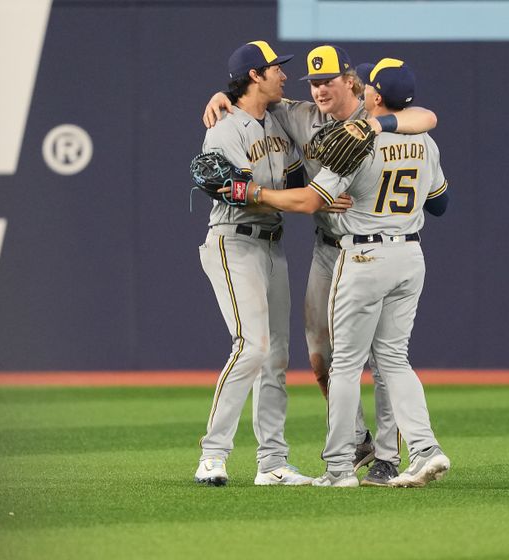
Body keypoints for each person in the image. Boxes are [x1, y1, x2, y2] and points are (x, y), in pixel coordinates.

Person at [203, 45, 439, 486]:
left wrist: (377, 122)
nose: (318, 88)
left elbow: (424, 117)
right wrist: (223, 94)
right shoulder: (299, 114)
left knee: (378, 356)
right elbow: (252, 95)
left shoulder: (370, 119)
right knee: (321, 356)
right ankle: (357, 438)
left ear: (353, 82)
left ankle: (386, 455)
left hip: (362, 251)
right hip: (328, 247)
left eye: (328, 79)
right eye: (313, 81)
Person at [193, 40, 313, 487]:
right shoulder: (225, 126)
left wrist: (312, 195)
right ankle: (213, 455)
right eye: (274, 69)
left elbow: (297, 179)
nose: (283, 74)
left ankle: (272, 464)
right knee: (253, 346)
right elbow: (238, 193)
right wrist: (306, 201)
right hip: (233, 241)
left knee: (276, 357)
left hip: (272, 246)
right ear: (254, 77)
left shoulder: (277, 118)